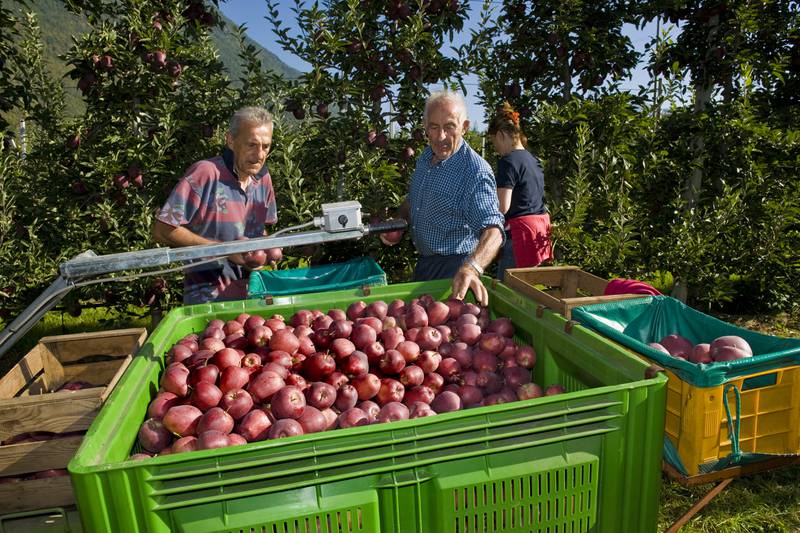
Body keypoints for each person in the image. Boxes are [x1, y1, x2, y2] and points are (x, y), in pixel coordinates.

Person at [382, 90, 505, 306]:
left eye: (449, 127)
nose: (441, 137)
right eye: (434, 127)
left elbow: (494, 230)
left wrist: (472, 267)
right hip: (425, 265)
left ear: (464, 127)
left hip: (455, 271)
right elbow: (413, 201)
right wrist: (397, 222)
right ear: (425, 126)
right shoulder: (425, 157)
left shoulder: (474, 171)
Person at [153, 106, 277, 304]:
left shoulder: (263, 179)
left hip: (253, 295)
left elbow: (256, 232)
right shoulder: (205, 174)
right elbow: (162, 230)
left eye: (266, 146)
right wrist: (224, 249)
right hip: (207, 299)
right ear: (231, 140)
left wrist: (267, 249)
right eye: (252, 145)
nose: (259, 154)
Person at [487, 102, 553, 281]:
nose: (496, 149)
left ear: (501, 135)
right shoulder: (533, 160)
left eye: (494, 143)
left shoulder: (508, 162)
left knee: (507, 292)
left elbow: (502, 206)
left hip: (519, 238)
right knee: (528, 289)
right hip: (538, 235)